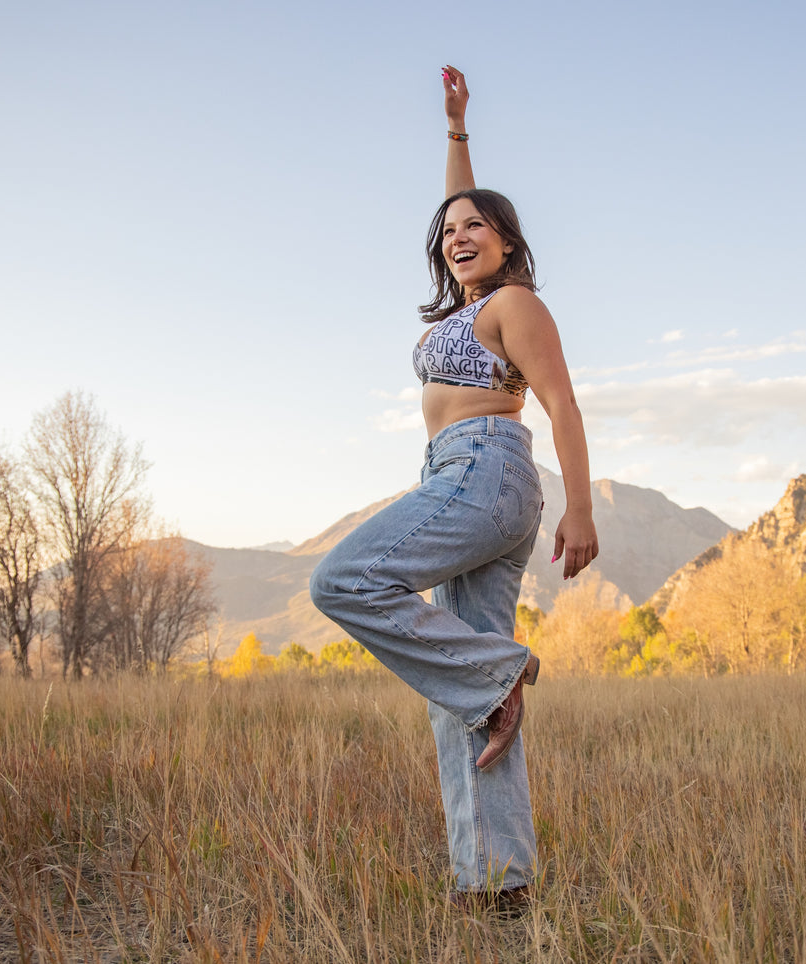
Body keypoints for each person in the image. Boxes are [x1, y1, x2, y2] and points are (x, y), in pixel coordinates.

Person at [309, 65, 598, 910]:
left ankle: (497, 670)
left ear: (508, 242)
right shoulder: (459, 305)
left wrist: (581, 507)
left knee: (341, 580)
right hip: (461, 475)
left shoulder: (513, 305)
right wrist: (455, 130)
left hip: (487, 469)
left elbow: (563, 403)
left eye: (477, 227)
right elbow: (456, 208)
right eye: (450, 230)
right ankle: (497, 884)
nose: (458, 234)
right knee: (462, 703)